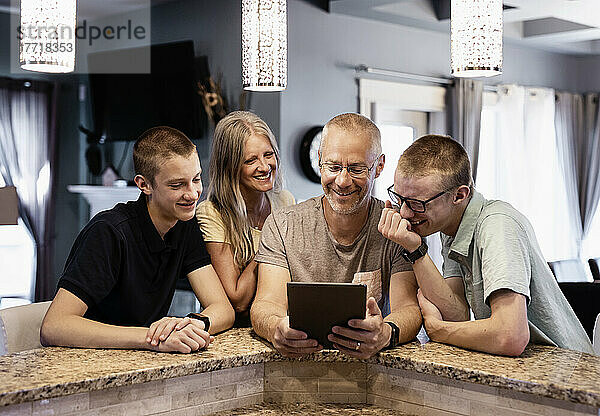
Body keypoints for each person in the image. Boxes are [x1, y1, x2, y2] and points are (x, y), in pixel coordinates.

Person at [378, 134, 594, 356]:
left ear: (460, 195)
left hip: (570, 370)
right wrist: (416, 250)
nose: (404, 213)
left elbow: (510, 336)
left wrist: (440, 330)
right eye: (399, 199)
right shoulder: (451, 229)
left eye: (417, 204)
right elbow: (455, 312)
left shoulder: (497, 225)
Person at [41, 126, 235, 353]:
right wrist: (153, 337)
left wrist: (191, 324)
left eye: (196, 179)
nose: (192, 194)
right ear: (144, 185)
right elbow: (53, 326)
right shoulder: (108, 232)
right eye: (177, 185)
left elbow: (223, 308)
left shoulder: (184, 224)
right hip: (88, 362)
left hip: (140, 360)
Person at [250, 113, 422, 359]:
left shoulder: (395, 228)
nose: (342, 181)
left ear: (379, 166)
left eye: (356, 169)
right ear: (319, 160)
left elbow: (408, 308)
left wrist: (385, 333)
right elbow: (266, 304)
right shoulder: (282, 224)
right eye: (333, 167)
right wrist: (275, 328)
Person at [196, 111, 295, 326]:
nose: (264, 166)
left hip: (281, 322)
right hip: (238, 332)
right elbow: (237, 300)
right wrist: (271, 248)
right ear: (230, 167)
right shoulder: (212, 213)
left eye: (268, 155)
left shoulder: (284, 201)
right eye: (251, 160)